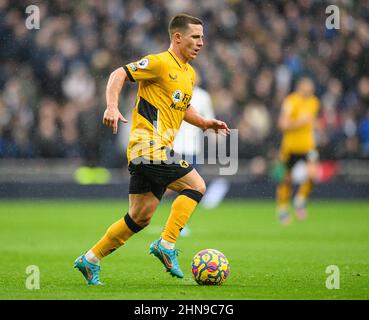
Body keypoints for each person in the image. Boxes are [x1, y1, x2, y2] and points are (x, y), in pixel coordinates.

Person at [74, 13, 230, 285]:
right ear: (178, 37)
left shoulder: (189, 73)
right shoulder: (158, 63)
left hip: (155, 150)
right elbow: (118, 73)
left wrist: (204, 122)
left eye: (202, 37)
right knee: (197, 186)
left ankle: (90, 260)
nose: (201, 43)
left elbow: (181, 107)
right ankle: (167, 244)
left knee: (140, 216)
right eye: (195, 37)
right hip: (147, 146)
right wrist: (111, 106)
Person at [276, 77, 320, 225]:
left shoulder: (314, 102)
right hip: (291, 147)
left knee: (313, 175)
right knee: (286, 179)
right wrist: (300, 122)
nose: (310, 88)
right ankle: (282, 209)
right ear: (300, 86)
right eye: (308, 85)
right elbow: (282, 124)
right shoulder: (291, 101)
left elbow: (312, 123)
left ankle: (300, 200)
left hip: (308, 146)